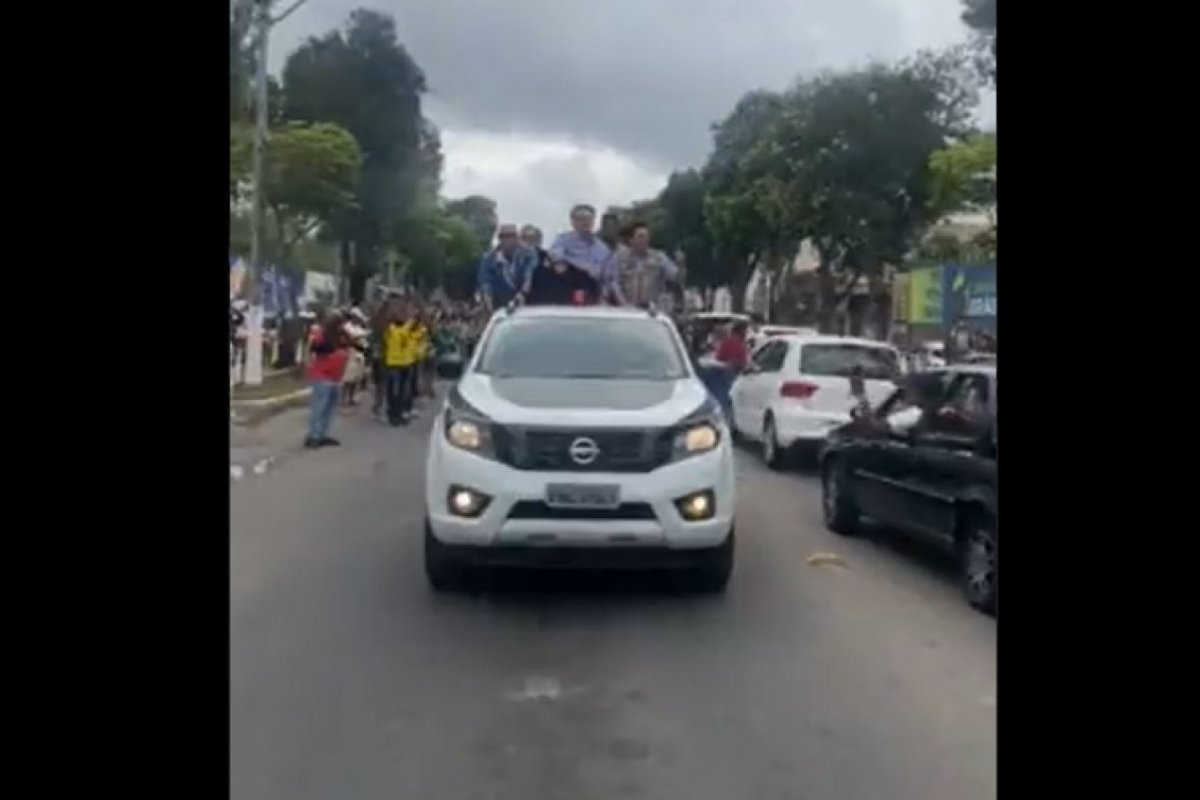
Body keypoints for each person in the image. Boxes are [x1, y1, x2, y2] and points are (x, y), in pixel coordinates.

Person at [547, 204, 624, 304]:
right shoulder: (562, 240)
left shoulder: (603, 249)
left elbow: (609, 278)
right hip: (567, 290)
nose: (585, 222)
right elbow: (555, 256)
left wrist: (603, 297)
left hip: (593, 294)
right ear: (573, 222)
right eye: (580, 219)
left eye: (588, 218)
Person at [305, 310, 349, 448]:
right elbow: (315, 348)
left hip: (336, 377)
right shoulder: (322, 336)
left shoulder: (342, 336)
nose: (341, 325)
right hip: (322, 376)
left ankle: (322, 434)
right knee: (319, 407)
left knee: (329, 408)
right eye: (339, 323)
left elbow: (352, 345)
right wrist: (333, 349)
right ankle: (313, 436)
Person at [612, 221, 682, 308]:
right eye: (640, 237)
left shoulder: (659, 257)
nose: (644, 240)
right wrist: (624, 304)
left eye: (646, 236)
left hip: (652, 310)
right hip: (627, 309)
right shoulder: (620, 258)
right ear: (631, 240)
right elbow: (615, 284)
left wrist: (681, 266)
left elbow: (675, 277)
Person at [476, 224, 537, 309]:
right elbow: (485, 282)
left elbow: (529, 275)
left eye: (511, 236)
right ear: (499, 239)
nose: (507, 240)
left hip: (528, 303)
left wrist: (522, 293)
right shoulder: (489, 258)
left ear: (517, 238)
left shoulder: (528, 254)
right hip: (499, 304)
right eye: (503, 237)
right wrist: (487, 301)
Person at [381, 299, 419, 426]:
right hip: (394, 364)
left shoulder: (406, 330)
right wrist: (412, 317)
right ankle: (392, 414)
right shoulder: (391, 330)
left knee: (402, 391)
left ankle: (398, 414)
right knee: (394, 391)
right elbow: (402, 331)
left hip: (405, 363)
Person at [341, 308, 369, 406]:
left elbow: (365, 338)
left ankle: (351, 397)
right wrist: (356, 339)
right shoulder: (346, 327)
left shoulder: (360, 328)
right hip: (351, 352)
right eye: (356, 317)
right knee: (348, 377)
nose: (357, 319)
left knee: (356, 378)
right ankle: (343, 398)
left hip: (360, 353)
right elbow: (347, 339)